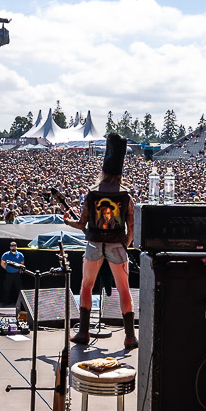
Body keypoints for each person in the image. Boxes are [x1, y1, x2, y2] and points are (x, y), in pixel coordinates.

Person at [62, 135, 136, 349]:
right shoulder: (126, 196)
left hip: (94, 244)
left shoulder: (93, 193)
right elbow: (131, 227)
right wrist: (126, 245)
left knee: (86, 286)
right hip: (117, 246)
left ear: (103, 172)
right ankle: (130, 336)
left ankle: (83, 332)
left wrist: (69, 222)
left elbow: (82, 222)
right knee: (124, 289)